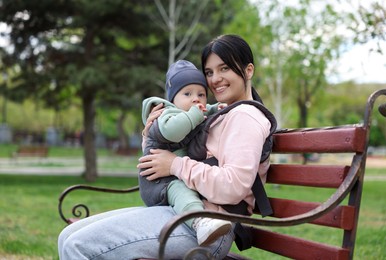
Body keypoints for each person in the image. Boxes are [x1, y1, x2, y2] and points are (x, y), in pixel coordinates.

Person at [58, 34, 275, 260]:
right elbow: (176, 148)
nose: (215, 79)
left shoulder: (245, 117)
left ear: (248, 71)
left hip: (210, 228)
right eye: (209, 72)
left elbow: (233, 187)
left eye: (224, 69)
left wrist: (175, 165)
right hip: (184, 212)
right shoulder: (221, 112)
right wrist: (152, 132)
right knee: (67, 236)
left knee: (77, 245)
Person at [139, 59, 232, 246]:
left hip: (172, 172)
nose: (196, 99)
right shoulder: (167, 115)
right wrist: (195, 114)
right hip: (158, 181)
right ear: (172, 100)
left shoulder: (192, 114)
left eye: (201, 94)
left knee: (184, 189)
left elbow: (201, 114)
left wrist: (214, 109)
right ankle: (199, 222)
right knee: (182, 190)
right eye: (187, 93)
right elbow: (173, 131)